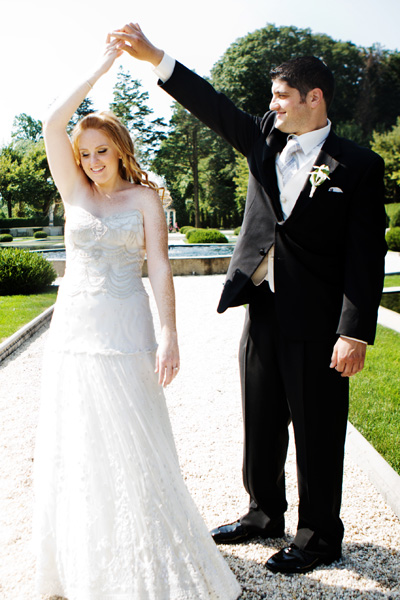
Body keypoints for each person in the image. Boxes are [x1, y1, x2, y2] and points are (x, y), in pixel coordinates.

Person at [110, 23, 388, 575]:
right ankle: (263, 514)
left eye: (282, 96)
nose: (273, 105)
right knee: (260, 420)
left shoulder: (358, 165)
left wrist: (353, 331)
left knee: (318, 430)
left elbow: (366, 256)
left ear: (314, 98)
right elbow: (211, 104)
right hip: (262, 306)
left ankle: (319, 537)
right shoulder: (263, 136)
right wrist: (155, 57)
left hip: (318, 320)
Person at [33, 35, 241, 600]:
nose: (92, 162)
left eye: (101, 151)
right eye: (85, 154)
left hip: (127, 330)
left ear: (120, 150)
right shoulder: (74, 190)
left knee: (136, 443)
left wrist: (170, 333)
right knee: (80, 445)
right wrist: (101, 66)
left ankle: (147, 552)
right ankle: (86, 561)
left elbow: (160, 268)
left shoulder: (146, 200)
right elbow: (52, 123)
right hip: (73, 333)